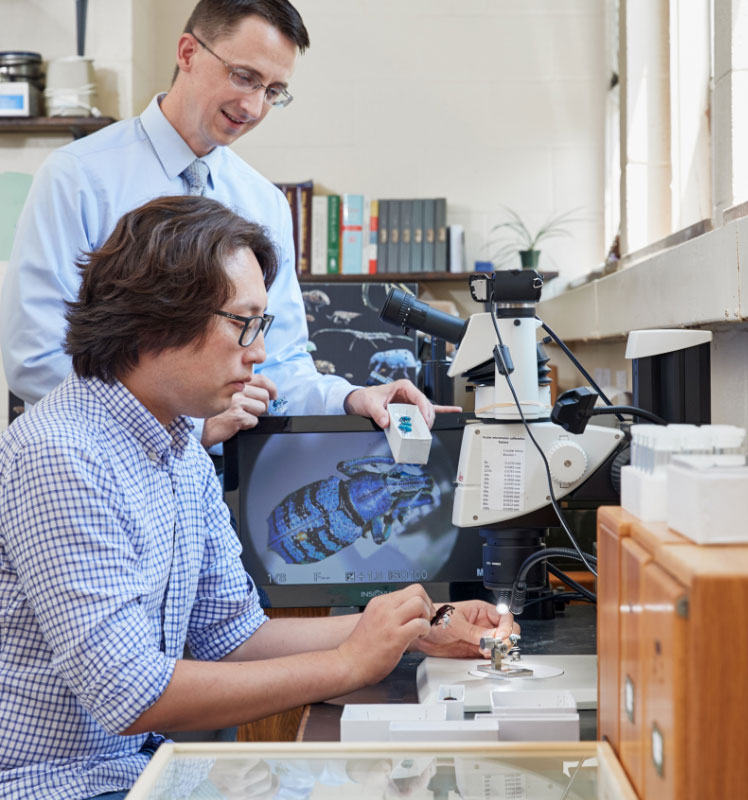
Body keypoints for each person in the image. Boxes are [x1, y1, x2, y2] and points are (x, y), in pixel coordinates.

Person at [0, 196, 515, 800]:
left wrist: (414, 629)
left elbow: (233, 635)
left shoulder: (178, 446)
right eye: (242, 323)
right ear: (155, 319)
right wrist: (349, 664)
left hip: (133, 769)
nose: (260, 353)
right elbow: (129, 693)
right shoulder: (63, 454)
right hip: (52, 785)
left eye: (261, 325)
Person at [0, 0, 458, 449]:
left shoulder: (265, 203)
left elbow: (280, 362)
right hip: (107, 463)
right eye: (245, 77)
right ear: (187, 53)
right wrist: (186, 426)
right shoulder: (78, 177)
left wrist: (352, 398)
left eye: (273, 91)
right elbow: (35, 358)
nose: (255, 107)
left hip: (234, 473)